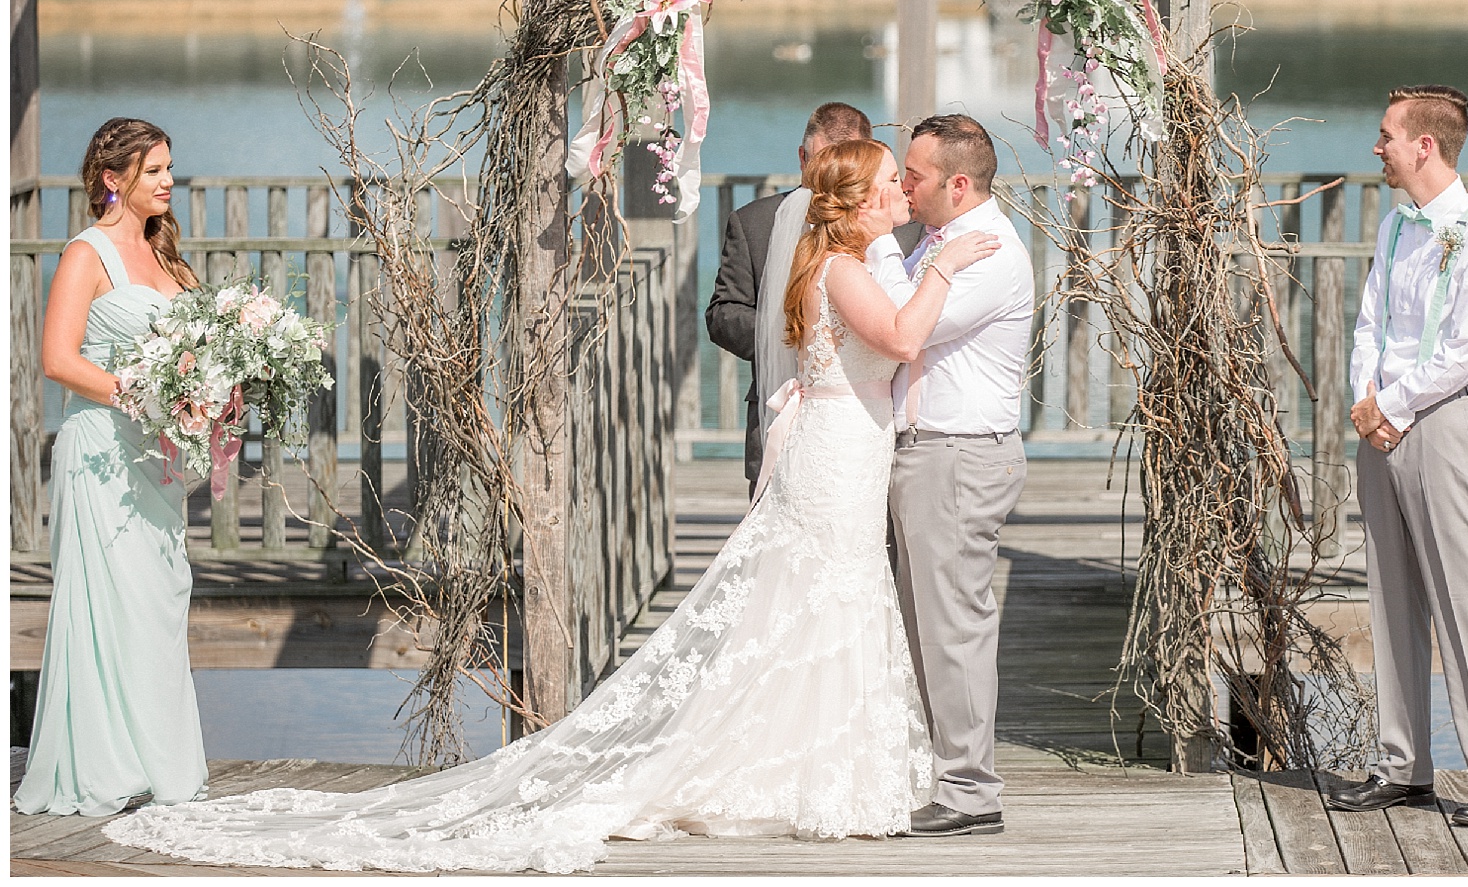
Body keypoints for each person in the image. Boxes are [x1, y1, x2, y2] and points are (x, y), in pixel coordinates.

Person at [106, 139, 1002, 872]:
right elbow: (902, 335)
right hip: (839, 456)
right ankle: (821, 773)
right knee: (828, 598)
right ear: (855, 202)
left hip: (842, 450)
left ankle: (822, 765)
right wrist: (948, 264)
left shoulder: (845, 257)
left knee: (825, 604)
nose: (900, 192)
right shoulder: (845, 267)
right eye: (890, 182)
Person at [1326, 85, 1468, 828]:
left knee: (1464, 594)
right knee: (1391, 593)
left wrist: (1397, 402)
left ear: (1426, 145)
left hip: (1441, 419)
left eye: (1385, 135)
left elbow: (1465, 348)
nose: (1375, 147)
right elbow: (1369, 321)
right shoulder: (1394, 226)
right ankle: (1402, 763)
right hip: (1381, 420)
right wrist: (1367, 396)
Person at [14, 118, 208, 817]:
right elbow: (59, 360)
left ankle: (156, 762)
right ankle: (100, 764)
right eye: (154, 169)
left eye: (168, 167)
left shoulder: (167, 256)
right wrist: (142, 392)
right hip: (99, 450)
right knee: (106, 605)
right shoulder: (85, 254)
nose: (167, 181)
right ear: (113, 179)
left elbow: (197, 349)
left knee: (159, 599)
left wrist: (216, 386)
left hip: (154, 457)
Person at [867, 114, 1035, 838]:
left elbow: (903, 328)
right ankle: (945, 773)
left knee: (955, 628)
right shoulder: (939, 243)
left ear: (957, 184)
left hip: (959, 454)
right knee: (924, 624)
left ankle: (971, 790)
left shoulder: (988, 254)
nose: (905, 183)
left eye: (916, 174)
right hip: (929, 452)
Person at [707, 102, 887, 492]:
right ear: (803, 157)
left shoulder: (902, 229)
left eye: (846, 165)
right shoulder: (754, 222)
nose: (830, 176)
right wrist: (795, 335)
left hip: (869, 420)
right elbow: (723, 314)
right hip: (779, 412)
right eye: (823, 161)